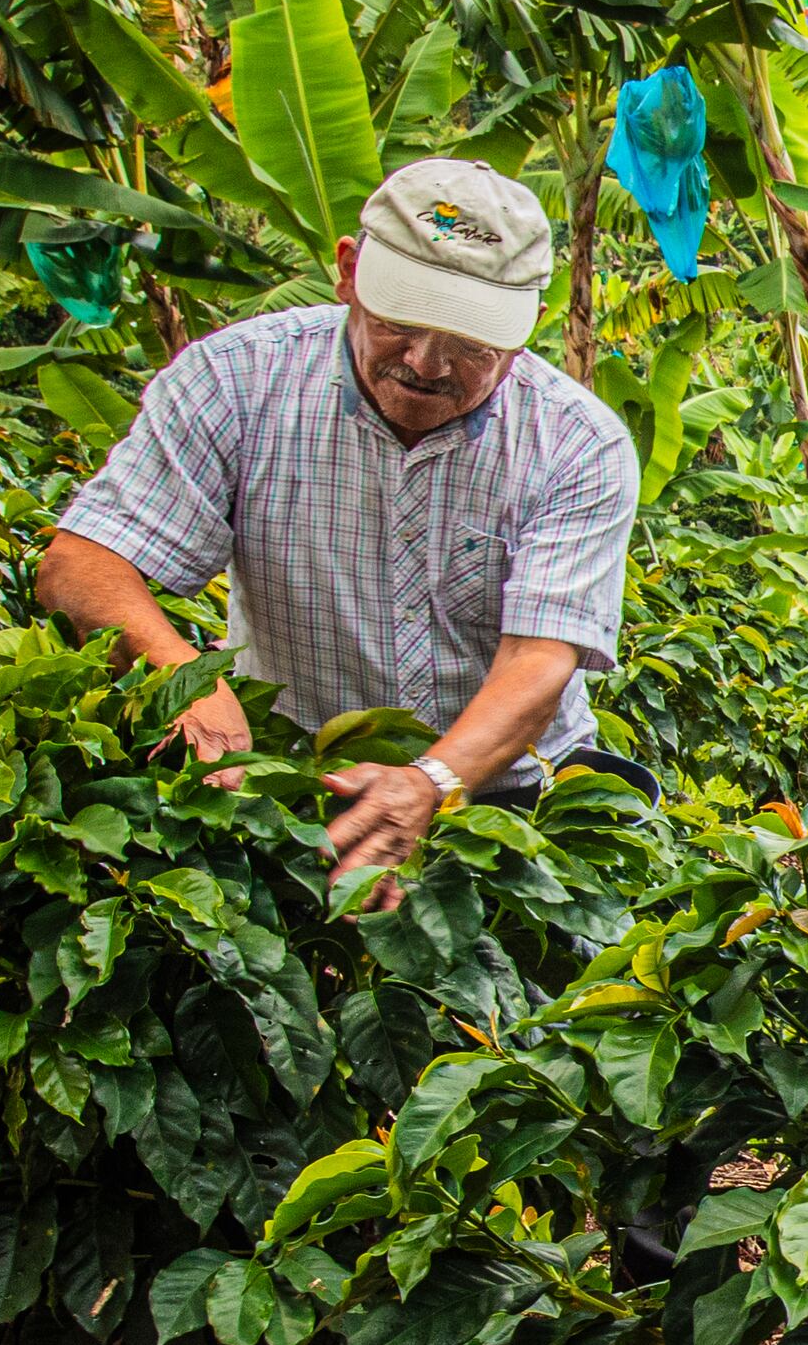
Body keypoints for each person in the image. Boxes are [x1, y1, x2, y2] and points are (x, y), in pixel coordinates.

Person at [36, 160, 635, 884]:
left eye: (471, 342)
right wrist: (185, 676)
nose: (426, 362)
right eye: (400, 320)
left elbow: (539, 660)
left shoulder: (577, 443)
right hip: (296, 787)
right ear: (348, 273)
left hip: (512, 801)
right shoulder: (234, 381)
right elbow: (83, 563)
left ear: (526, 325)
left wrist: (430, 782)